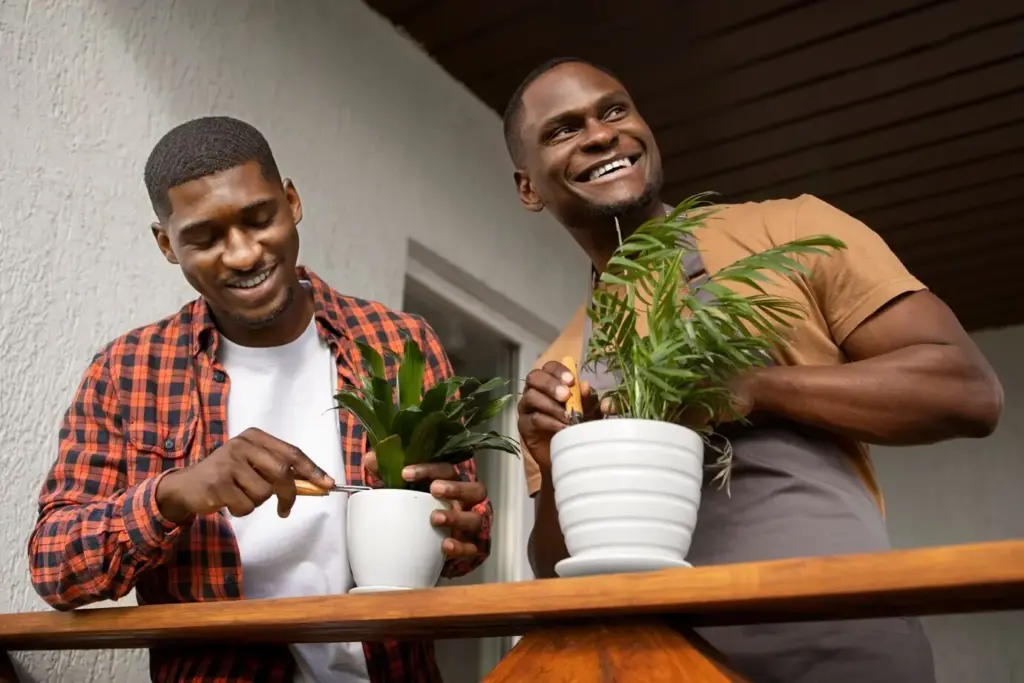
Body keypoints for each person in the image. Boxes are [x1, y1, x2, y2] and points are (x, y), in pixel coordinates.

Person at [505, 58, 1003, 682]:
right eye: (563, 130)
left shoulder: (791, 231)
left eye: (614, 111)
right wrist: (556, 469)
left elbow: (967, 392)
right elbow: (558, 576)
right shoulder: (559, 366)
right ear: (528, 188)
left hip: (840, 643)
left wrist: (752, 386)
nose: (602, 134)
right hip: (663, 667)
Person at [28, 116, 491, 683]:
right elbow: (53, 566)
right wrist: (175, 494)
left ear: (291, 202)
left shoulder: (400, 343)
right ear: (167, 244)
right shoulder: (128, 370)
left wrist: (456, 522)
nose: (243, 255)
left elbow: (469, 539)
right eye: (205, 238)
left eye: (259, 219)